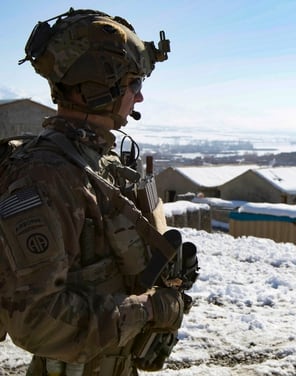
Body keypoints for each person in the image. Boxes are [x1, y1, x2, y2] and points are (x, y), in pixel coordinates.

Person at [0, 8, 193, 375]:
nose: (138, 98)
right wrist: (151, 309)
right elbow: (37, 322)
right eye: (134, 84)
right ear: (101, 87)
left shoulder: (98, 165)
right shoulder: (47, 175)